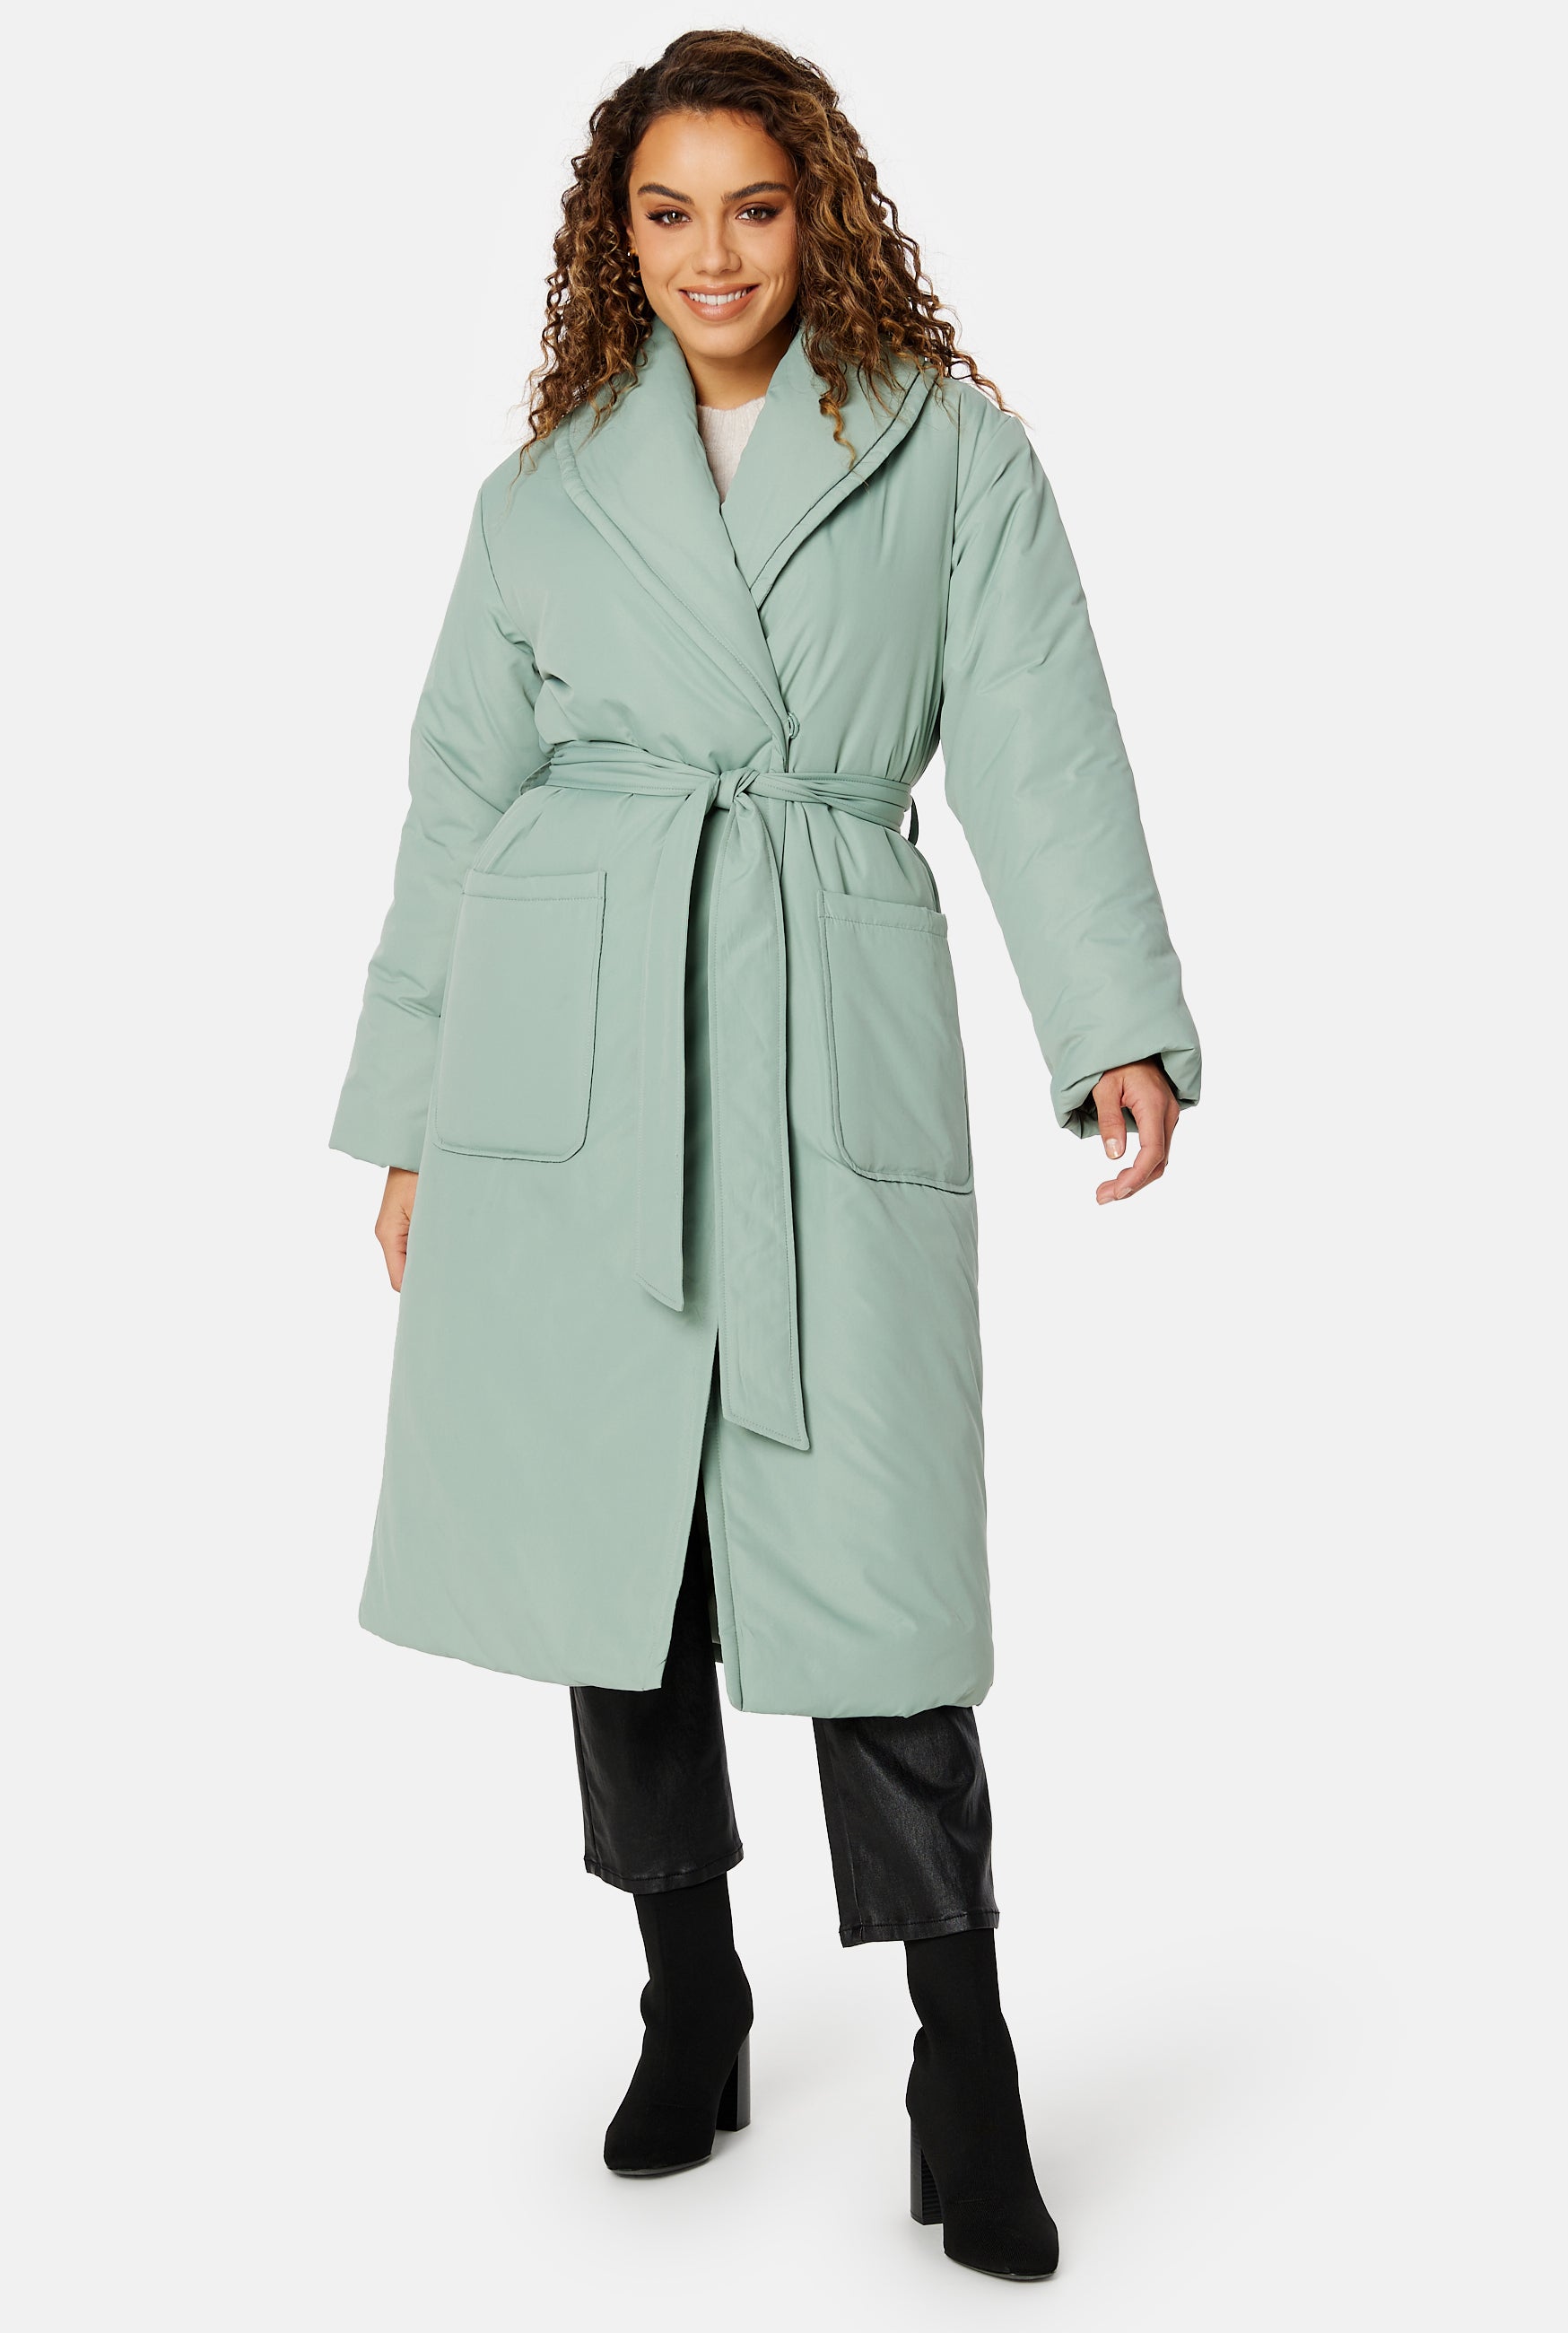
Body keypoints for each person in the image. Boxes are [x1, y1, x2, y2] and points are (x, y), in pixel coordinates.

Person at [329, 29, 1200, 2285]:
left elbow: (1036, 726)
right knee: (618, 1564)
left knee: (878, 1577)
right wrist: (413, 1116)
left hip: (824, 1011)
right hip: (576, 1049)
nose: (712, 255)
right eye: (666, 213)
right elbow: (454, 805)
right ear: (612, 238)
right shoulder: (540, 498)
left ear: (822, 215)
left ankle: (962, 2055)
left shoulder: (941, 447)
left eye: (753, 207)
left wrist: (1108, 1013)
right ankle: (688, 1992)